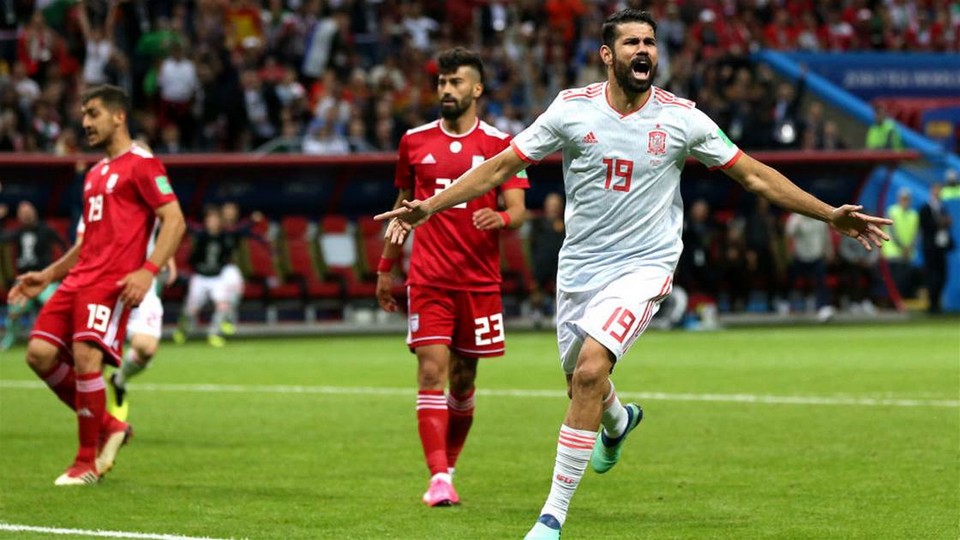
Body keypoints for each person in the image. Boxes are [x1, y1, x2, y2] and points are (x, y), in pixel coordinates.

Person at [376, 10, 891, 538]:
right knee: (581, 383)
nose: (643, 50)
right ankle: (619, 422)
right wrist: (431, 205)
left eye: (650, 42)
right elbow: (502, 166)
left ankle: (551, 517)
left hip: (645, 265)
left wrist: (830, 214)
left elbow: (755, 175)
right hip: (580, 270)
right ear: (608, 55)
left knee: (590, 373)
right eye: (631, 43)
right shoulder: (571, 110)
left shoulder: (683, 118)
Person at [8, 84, 185, 485]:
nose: (85, 122)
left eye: (93, 114)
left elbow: (174, 220)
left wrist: (148, 270)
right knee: (38, 354)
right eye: (84, 115)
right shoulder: (94, 175)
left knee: (86, 357)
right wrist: (49, 275)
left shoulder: (143, 164)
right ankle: (111, 425)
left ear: (118, 116)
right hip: (79, 277)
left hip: (111, 281)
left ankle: (85, 462)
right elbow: (85, 241)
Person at [374, 47, 529, 507]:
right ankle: (438, 477)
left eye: (456, 82)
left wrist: (499, 221)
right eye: (442, 82)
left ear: (476, 89)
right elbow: (402, 210)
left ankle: (451, 464)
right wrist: (385, 268)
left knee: (462, 382)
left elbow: (518, 211)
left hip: (479, 282)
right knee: (430, 372)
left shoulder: (501, 144)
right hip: (428, 278)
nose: (446, 89)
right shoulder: (414, 142)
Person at [0, 201, 68, 351]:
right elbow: (2, 238)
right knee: (13, 311)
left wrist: (62, 271)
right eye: (22, 213)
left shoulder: (46, 230)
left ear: (35, 212)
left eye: (28, 211)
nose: (26, 215)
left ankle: (62, 339)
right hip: (25, 280)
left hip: (45, 279)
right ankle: (9, 340)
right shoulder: (17, 233)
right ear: (18, 216)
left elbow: (64, 246)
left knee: (55, 306)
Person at [173, 207, 240, 347]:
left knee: (222, 306)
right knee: (191, 310)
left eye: (215, 220)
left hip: (217, 278)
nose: (213, 223)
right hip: (200, 278)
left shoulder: (225, 237)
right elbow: (192, 258)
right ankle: (183, 330)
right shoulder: (200, 236)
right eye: (210, 220)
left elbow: (229, 255)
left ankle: (214, 334)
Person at [528, 192, 566, 324]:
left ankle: (558, 314)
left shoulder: (566, 223)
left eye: (556, 205)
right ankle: (536, 313)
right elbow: (531, 243)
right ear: (546, 206)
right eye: (551, 205)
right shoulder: (538, 223)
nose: (553, 208)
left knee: (559, 288)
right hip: (541, 261)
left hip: (559, 262)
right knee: (538, 289)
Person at [918, 183, 955, 313]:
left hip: (941, 247)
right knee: (932, 275)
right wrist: (939, 222)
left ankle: (937, 302)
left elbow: (945, 226)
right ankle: (932, 303)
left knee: (942, 275)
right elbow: (924, 226)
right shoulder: (925, 208)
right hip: (930, 248)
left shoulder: (943, 207)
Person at [882, 188, 920, 299]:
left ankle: (899, 302)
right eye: (903, 199)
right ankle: (892, 302)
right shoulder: (892, 211)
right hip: (893, 253)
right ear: (898, 199)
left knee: (904, 280)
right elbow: (893, 233)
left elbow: (916, 233)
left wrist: (909, 248)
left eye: (907, 199)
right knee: (893, 280)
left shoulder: (914, 214)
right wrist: (903, 248)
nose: (905, 201)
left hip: (907, 254)